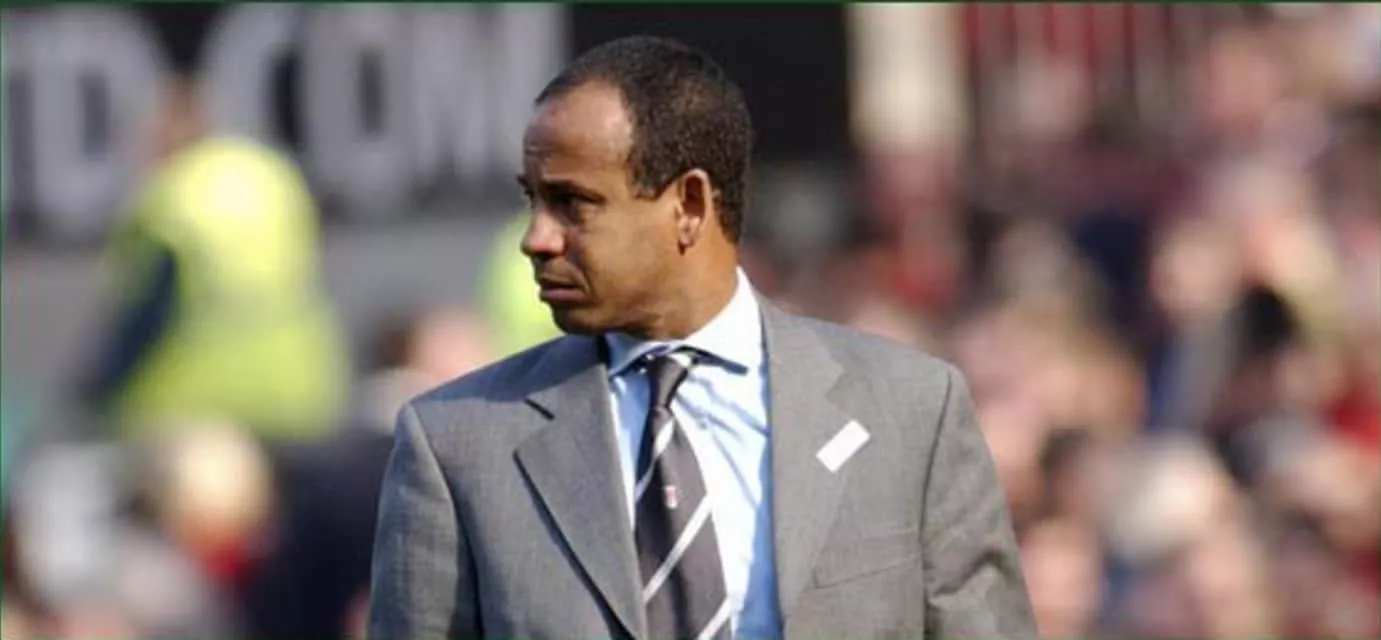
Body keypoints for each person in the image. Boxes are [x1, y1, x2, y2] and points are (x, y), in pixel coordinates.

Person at [368, 36, 1034, 640]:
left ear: (688, 205)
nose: (536, 238)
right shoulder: (458, 446)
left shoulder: (910, 412)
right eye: (533, 200)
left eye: (574, 203)